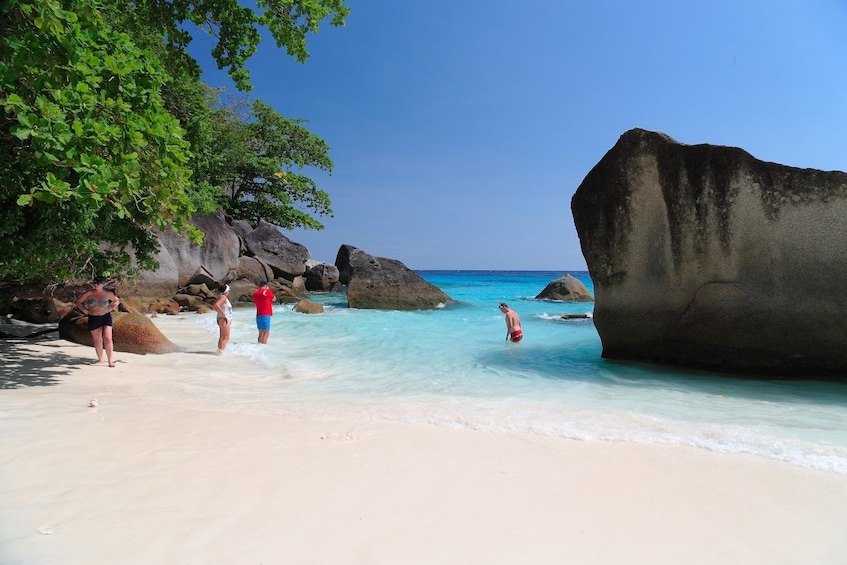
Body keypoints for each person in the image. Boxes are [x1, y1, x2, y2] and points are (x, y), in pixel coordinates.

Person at [75, 276, 121, 367]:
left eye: (98, 283)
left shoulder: (108, 294)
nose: (95, 285)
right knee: (97, 340)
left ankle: (110, 361)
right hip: (93, 317)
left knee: (108, 338)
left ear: (103, 284)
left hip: (105, 317)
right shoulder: (89, 293)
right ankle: (100, 359)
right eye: (94, 283)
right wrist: (85, 311)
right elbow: (78, 301)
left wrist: (111, 308)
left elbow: (116, 300)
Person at [252, 280, 275, 344]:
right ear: (266, 285)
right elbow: (274, 299)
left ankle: (259, 347)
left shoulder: (255, 293)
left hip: (259, 314)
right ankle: (263, 349)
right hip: (266, 314)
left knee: (261, 333)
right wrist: (268, 290)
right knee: (266, 333)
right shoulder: (267, 291)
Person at [213, 284, 233, 354]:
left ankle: (219, 351)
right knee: (226, 337)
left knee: (222, 337)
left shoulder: (221, 297)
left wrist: (220, 313)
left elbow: (215, 306)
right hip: (224, 319)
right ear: (226, 291)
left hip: (221, 318)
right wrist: (223, 314)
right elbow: (216, 305)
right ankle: (221, 352)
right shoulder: (223, 298)